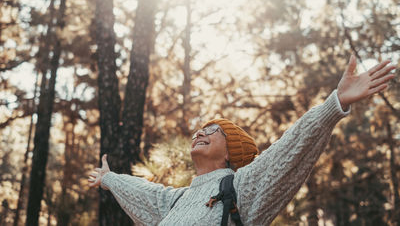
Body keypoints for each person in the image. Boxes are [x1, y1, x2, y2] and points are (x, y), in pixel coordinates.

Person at [88, 55, 396, 225]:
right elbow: (143, 191)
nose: (201, 133)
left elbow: (291, 148)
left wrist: (335, 104)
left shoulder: (242, 187)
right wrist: (109, 179)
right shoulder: (175, 201)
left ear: (229, 152)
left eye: (213, 130)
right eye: (200, 129)